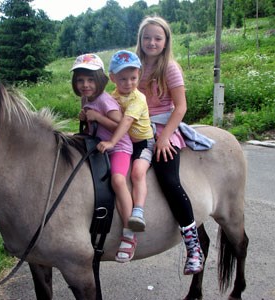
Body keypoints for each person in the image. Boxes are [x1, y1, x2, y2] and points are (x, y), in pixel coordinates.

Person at [135, 16, 204, 275]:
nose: (152, 42)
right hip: (137, 128)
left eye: (157, 38)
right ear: (140, 40)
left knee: (169, 180)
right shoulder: (134, 65)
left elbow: (181, 106)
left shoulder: (170, 68)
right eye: (147, 38)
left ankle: (193, 245)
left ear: (165, 42)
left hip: (164, 128)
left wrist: (164, 137)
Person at [71, 54, 137, 263]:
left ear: (100, 80)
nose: (85, 85)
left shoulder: (105, 100)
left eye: (90, 80)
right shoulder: (87, 99)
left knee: (118, 180)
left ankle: (129, 232)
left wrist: (98, 117)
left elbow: (121, 128)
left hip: (118, 147)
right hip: (100, 147)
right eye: (80, 80)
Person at [90, 50, 154, 233]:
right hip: (128, 143)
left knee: (137, 173)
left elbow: (125, 122)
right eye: (123, 79)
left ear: (139, 75)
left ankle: (138, 211)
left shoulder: (138, 98)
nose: (129, 83)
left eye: (133, 78)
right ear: (112, 78)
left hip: (143, 142)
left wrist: (111, 142)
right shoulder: (114, 96)